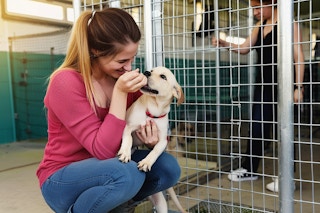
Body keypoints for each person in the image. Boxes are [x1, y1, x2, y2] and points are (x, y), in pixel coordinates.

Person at [36, 8, 181, 213]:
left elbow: (138, 132)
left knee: (167, 167)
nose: (129, 68)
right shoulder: (65, 82)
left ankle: (116, 207)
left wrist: (151, 141)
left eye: (132, 58)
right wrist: (120, 93)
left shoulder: (126, 82)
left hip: (111, 169)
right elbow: (102, 150)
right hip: (62, 180)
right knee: (126, 173)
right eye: (122, 61)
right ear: (95, 51)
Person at [212, 0, 304, 192]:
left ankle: (287, 178)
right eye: (253, 8)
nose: (254, 12)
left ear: (273, 4)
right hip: (263, 85)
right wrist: (224, 42)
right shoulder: (259, 25)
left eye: (258, 7)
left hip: (284, 85)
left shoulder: (289, 23)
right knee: (256, 127)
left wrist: (298, 86)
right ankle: (249, 168)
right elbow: (245, 47)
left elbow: (299, 56)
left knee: (284, 130)